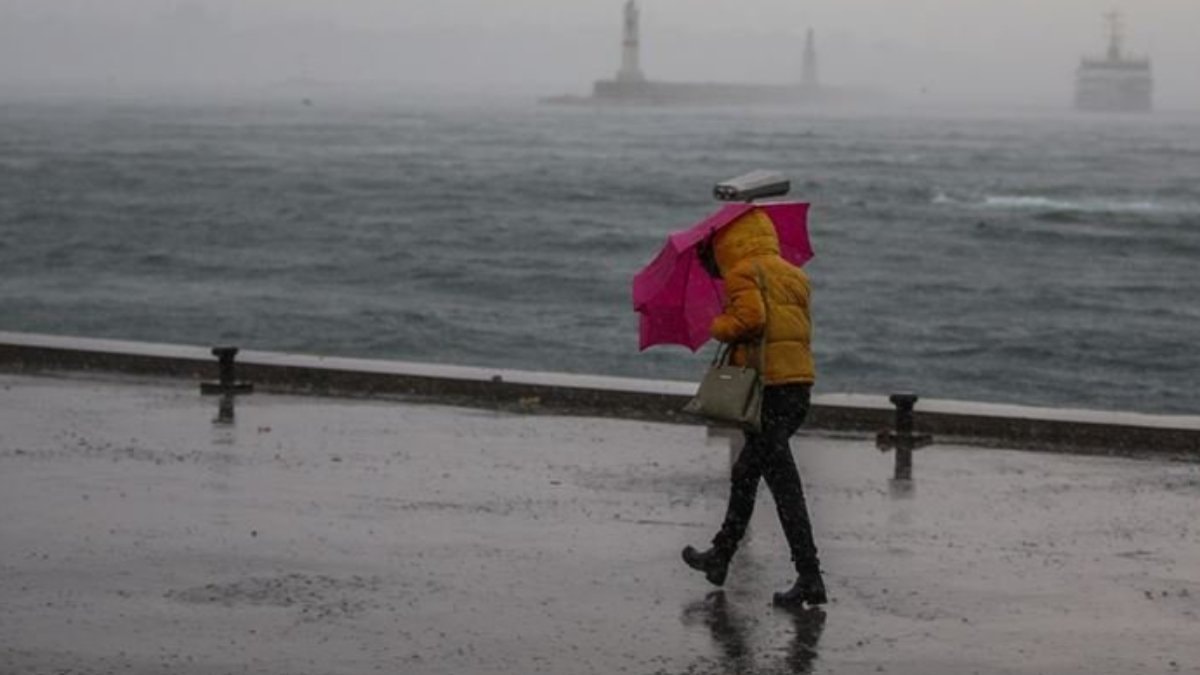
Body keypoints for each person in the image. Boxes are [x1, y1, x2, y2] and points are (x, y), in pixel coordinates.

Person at [683, 207, 826, 607]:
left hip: (768, 391)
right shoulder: (794, 274)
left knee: (783, 485)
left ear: (730, 243)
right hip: (797, 386)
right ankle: (721, 555)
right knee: (747, 472)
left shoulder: (743, 272)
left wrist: (719, 325)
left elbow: (751, 319)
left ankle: (810, 576)